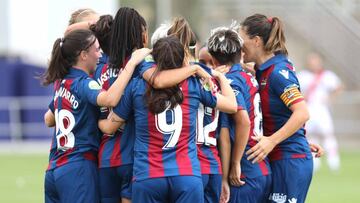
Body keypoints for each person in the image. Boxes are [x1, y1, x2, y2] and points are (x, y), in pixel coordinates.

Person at [98, 36, 237, 203]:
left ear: (155, 59)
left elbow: (109, 127)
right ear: (182, 58)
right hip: (187, 175)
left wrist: (97, 120)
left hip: (148, 176)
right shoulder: (194, 84)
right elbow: (231, 105)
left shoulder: (136, 85)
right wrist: (220, 77)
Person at [42, 29, 150, 203]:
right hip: (77, 168)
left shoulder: (63, 83)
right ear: (84, 55)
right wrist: (131, 64)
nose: (100, 54)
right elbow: (110, 98)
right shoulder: (84, 84)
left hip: (53, 170)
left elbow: (48, 119)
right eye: (97, 49)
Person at [239, 14, 313, 203]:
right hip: (278, 157)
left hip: (290, 160)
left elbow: (302, 112)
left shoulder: (279, 73)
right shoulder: (262, 71)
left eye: (242, 39)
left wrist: (272, 140)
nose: (240, 46)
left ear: (256, 41)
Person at [208, 26, 271, 203]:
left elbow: (243, 121)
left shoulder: (231, 81)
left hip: (245, 171)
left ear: (213, 60)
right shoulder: (248, 77)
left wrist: (235, 163)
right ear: (240, 53)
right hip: (262, 168)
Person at [298, 52, 342, 171]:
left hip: (322, 109)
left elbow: (339, 87)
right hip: (308, 108)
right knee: (310, 135)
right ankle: (314, 161)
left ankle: (333, 161)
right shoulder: (302, 75)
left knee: (328, 134)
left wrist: (330, 98)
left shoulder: (327, 75)